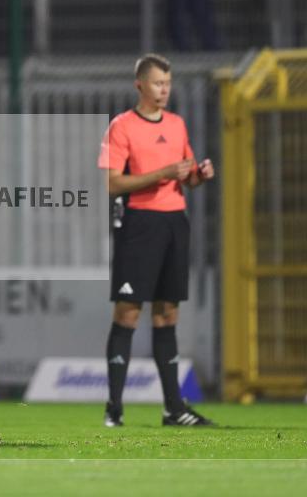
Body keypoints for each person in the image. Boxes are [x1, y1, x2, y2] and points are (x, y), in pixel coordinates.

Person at [98, 53, 215, 427]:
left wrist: (199, 175)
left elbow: (187, 176)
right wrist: (163, 172)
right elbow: (113, 183)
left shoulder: (178, 125)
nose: (164, 90)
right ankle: (114, 408)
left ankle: (173, 408)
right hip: (138, 224)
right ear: (140, 86)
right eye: (157, 83)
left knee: (168, 313)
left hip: (173, 223)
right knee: (128, 311)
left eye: (168, 83)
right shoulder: (122, 126)